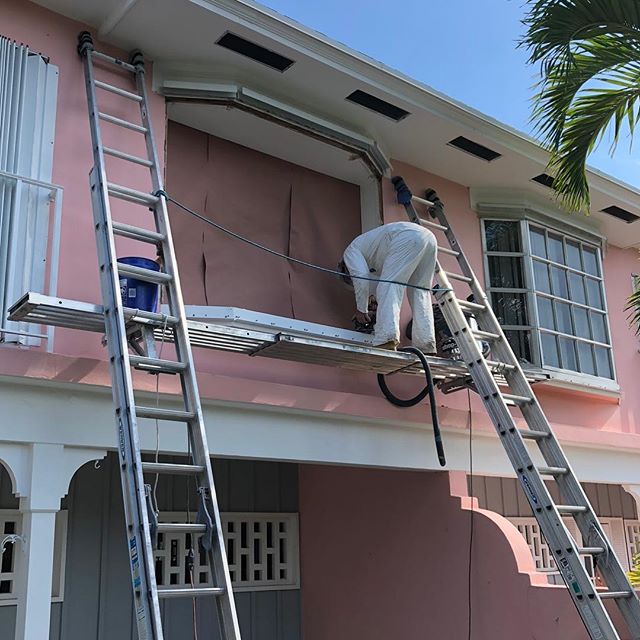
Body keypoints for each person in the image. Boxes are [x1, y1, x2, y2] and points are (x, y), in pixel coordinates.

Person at [340, 221, 437, 353]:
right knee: (420, 290)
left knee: (389, 285)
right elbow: (371, 284)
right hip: (429, 238)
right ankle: (426, 344)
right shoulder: (370, 258)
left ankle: (386, 337)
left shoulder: (350, 253)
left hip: (407, 236)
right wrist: (372, 301)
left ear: (345, 269)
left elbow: (361, 279)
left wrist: (361, 310)